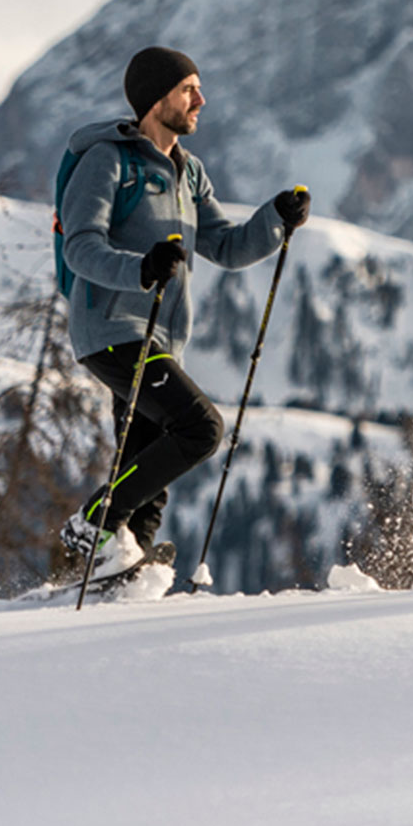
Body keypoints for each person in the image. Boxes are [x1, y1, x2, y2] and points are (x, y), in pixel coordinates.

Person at [56, 45, 310, 584]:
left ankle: (122, 571)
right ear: (156, 98)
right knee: (200, 427)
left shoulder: (188, 173)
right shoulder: (108, 160)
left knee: (148, 467)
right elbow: (80, 247)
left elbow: (227, 246)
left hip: (162, 338)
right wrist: (141, 269)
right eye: (189, 88)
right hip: (111, 329)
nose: (201, 99)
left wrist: (276, 219)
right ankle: (96, 521)